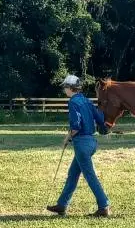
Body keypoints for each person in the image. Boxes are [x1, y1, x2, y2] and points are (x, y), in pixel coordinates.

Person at [46, 74, 111, 217]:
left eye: (65, 87)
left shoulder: (73, 102)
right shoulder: (86, 100)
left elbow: (75, 126)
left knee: (90, 176)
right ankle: (62, 205)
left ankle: (104, 205)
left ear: (70, 88)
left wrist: (67, 138)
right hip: (92, 142)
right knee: (73, 174)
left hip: (81, 144)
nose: (64, 90)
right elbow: (100, 118)